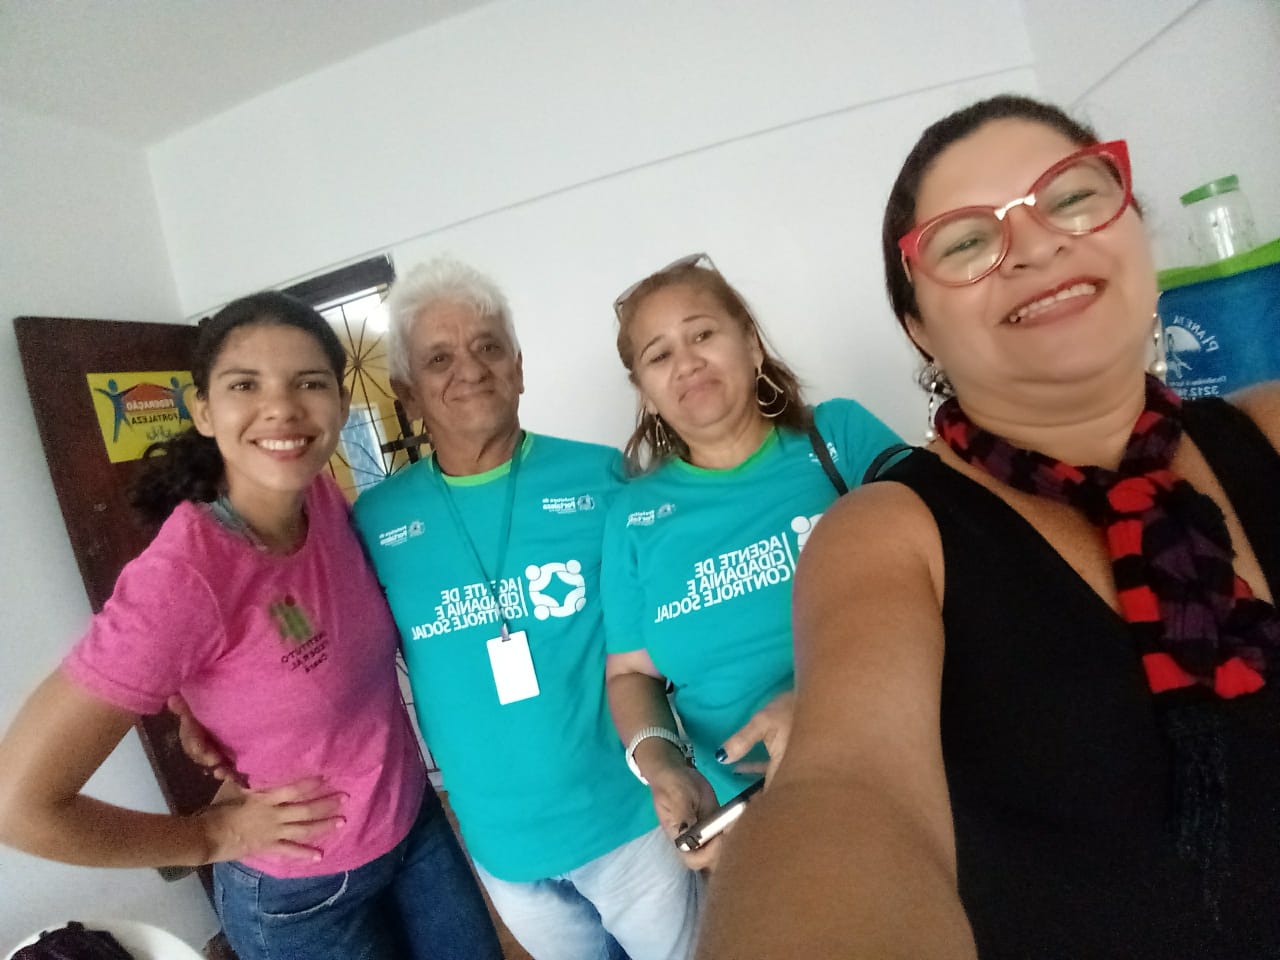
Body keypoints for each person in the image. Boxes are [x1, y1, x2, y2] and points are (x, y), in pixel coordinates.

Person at [697, 95, 1280, 960]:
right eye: (966, 242)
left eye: (1072, 196)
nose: (1036, 245)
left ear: (1138, 231)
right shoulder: (889, 534)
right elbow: (845, 791)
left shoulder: (1269, 428)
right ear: (919, 330)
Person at [0, 292, 502, 960]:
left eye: (309, 383)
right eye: (245, 384)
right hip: (304, 894)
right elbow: (18, 806)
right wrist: (210, 837)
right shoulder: (183, 578)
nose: (282, 408)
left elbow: (258, 648)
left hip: (412, 824)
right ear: (204, 409)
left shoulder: (319, 496)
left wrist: (193, 704)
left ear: (340, 402)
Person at [348, 257, 700, 960]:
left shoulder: (604, 477)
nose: (470, 369)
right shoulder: (377, 520)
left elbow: (683, 616)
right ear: (407, 391)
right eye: (440, 358)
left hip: (629, 823)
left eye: (489, 347)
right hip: (501, 849)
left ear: (518, 367)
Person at [602, 253, 901, 869]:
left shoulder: (840, 437)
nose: (687, 363)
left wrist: (820, 706)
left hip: (895, 767)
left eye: (702, 334)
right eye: (659, 355)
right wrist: (663, 766)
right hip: (748, 823)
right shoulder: (632, 515)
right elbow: (631, 673)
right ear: (646, 394)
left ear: (752, 346)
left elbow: (949, 569)